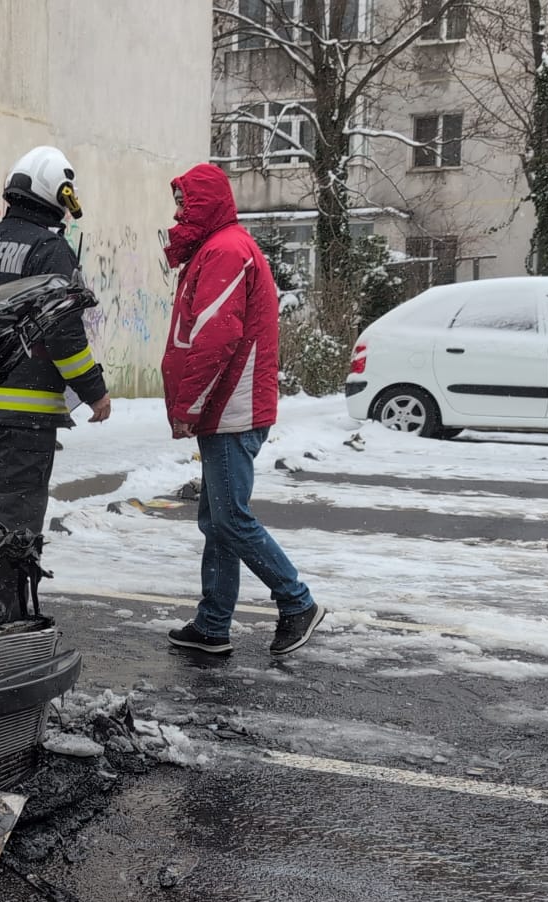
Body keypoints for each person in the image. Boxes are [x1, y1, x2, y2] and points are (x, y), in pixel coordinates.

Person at [159, 162, 324, 657]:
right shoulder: (219, 248)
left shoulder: (226, 251)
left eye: (184, 203)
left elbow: (216, 335)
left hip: (232, 409)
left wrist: (189, 401)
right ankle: (213, 625)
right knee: (218, 520)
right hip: (226, 407)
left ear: (204, 203)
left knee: (229, 519)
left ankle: (297, 602)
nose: (177, 212)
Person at [0, 145, 112, 538]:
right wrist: (93, 390)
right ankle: (1, 598)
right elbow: (63, 331)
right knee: (14, 529)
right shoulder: (49, 250)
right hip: (23, 415)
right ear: (56, 193)